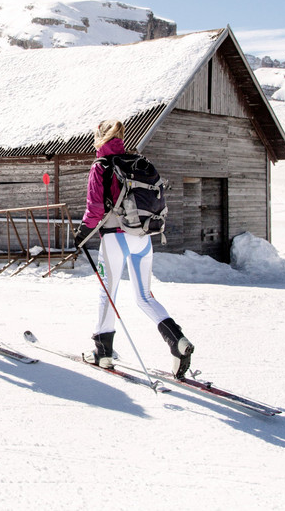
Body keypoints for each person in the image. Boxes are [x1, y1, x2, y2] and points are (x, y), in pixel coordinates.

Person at [72, 119, 194, 378]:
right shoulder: (135, 162)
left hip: (115, 238)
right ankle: (177, 341)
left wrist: (82, 233)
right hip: (142, 237)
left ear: (99, 138)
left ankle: (103, 354)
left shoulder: (101, 166)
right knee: (144, 296)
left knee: (108, 293)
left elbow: (94, 208)